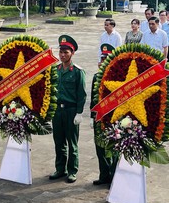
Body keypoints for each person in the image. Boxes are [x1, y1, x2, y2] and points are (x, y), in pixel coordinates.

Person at [50, 35, 86, 183]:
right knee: (59, 141)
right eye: (61, 52)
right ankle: (60, 169)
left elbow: (81, 94)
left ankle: (72, 170)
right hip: (57, 110)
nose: (63, 55)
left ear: (72, 53)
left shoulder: (77, 72)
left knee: (72, 142)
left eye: (66, 52)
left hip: (71, 110)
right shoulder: (55, 69)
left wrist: (79, 112)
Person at [90, 43, 118, 185]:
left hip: (112, 118)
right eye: (102, 58)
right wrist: (91, 116)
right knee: (99, 148)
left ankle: (113, 176)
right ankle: (104, 175)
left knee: (113, 147)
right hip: (99, 117)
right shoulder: (96, 77)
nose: (103, 62)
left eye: (107, 58)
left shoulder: (119, 77)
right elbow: (93, 98)